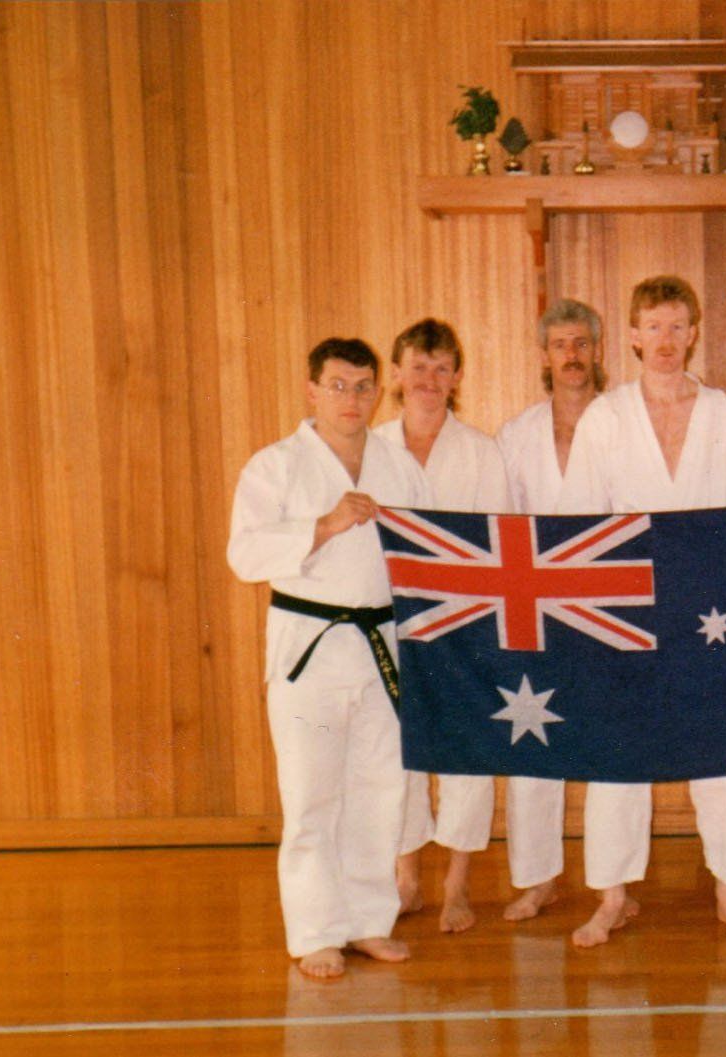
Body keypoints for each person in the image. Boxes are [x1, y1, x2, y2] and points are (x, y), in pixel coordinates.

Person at [557, 275, 726, 946]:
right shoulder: (605, 417)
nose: (666, 341)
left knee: (720, 752)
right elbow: (578, 522)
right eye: (653, 326)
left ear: (695, 332)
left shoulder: (722, 415)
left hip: (709, 607)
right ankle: (612, 894)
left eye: (678, 326)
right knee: (618, 753)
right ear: (630, 335)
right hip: (625, 606)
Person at [226, 337, 426, 978]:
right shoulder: (275, 465)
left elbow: (425, 553)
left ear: (378, 391)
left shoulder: (398, 464)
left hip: (383, 645)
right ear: (311, 390)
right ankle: (315, 931)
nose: (352, 398)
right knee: (312, 793)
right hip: (309, 648)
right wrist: (323, 524)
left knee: (378, 789)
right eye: (338, 385)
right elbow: (245, 556)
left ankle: (368, 920)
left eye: (364, 386)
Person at [375, 318, 513, 935]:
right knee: (396, 752)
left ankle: (457, 883)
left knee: (466, 753)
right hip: (387, 618)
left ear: (457, 377)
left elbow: (502, 540)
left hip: (466, 621)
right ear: (398, 374)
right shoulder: (369, 449)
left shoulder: (482, 452)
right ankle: (406, 878)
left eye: (441, 368)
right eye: (418, 367)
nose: (429, 380)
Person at [493, 298, 609, 923]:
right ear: (545, 355)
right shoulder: (518, 434)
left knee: (611, 741)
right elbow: (502, 520)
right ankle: (538, 877)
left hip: (608, 602)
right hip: (534, 603)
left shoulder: (621, 423)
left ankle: (613, 882)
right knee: (533, 739)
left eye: (582, 343)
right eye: (561, 344)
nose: (572, 354)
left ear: (598, 351)